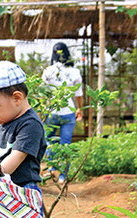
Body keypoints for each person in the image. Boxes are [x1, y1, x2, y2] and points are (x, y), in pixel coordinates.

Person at [0, 60, 47, 200]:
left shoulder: (30, 124)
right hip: (3, 188)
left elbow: (15, 158)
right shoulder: (4, 123)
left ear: (17, 98)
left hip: (22, 190)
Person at [42, 42, 83, 185]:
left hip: (52, 111)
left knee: (48, 141)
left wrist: (44, 110)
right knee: (66, 144)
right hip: (68, 111)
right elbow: (78, 93)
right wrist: (79, 109)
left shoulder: (48, 71)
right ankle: (63, 176)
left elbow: (44, 93)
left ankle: (52, 168)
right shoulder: (74, 72)